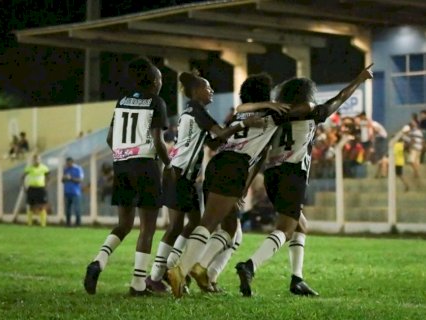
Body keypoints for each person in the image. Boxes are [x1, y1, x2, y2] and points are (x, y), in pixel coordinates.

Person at [234, 64, 374, 297]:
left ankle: (297, 279)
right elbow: (338, 100)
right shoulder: (311, 111)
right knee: (286, 228)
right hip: (293, 173)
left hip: (272, 174)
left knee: (301, 224)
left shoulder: (276, 114)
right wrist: (359, 79)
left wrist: (246, 186)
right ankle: (250, 266)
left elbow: (260, 155)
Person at [166, 73, 301, 298]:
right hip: (234, 166)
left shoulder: (243, 110)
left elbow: (241, 120)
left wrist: (243, 188)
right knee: (209, 222)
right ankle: (180, 270)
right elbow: (260, 157)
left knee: (230, 229)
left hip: (218, 163)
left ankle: (201, 268)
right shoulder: (274, 113)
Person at [146, 71, 264, 293]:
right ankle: (157, 275)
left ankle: (172, 268)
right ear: (196, 91)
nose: (211, 91)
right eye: (207, 87)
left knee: (194, 223)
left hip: (185, 175)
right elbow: (219, 132)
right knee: (176, 227)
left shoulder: (193, 112)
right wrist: (243, 124)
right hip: (178, 174)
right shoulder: (197, 111)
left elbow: (212, 142)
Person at [83, 56, 173, 296]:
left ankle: (99, 260)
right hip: (146, 166)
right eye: (160, 78)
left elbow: (110, 139)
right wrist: (170, 166)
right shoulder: (156, 102)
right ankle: (137, 283)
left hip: (121, 165)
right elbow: (157, 140)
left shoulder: (122, 101)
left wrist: (125, 156)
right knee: (147, 228)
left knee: (123, 224)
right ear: (154, 82)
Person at [21, 154, 50, 227]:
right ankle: (29, 223)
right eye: (35, 159)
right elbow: (22, 177)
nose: (36, 161)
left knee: (42, 206)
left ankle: (43, 224)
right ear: (33, 160)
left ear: (40, 160)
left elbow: (48, 176)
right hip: (32, 188)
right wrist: (24, 186)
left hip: (41, 188)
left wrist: (46, 185)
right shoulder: (29, 168)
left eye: (38, 159)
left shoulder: (44, 168)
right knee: (31, 206)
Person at [62, 157, 84, 227]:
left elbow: (80, 180)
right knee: (67, 209)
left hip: (75, 192)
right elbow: (62, 181)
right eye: (67, 163)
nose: (67, 164)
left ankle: (78, 223)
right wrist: (64, 178)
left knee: (77, 209)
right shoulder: (66, 169)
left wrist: (71, 178)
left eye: (68, 163)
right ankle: (68, 223)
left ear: (72, 162)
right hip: (67, 192)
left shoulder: (78, 169)